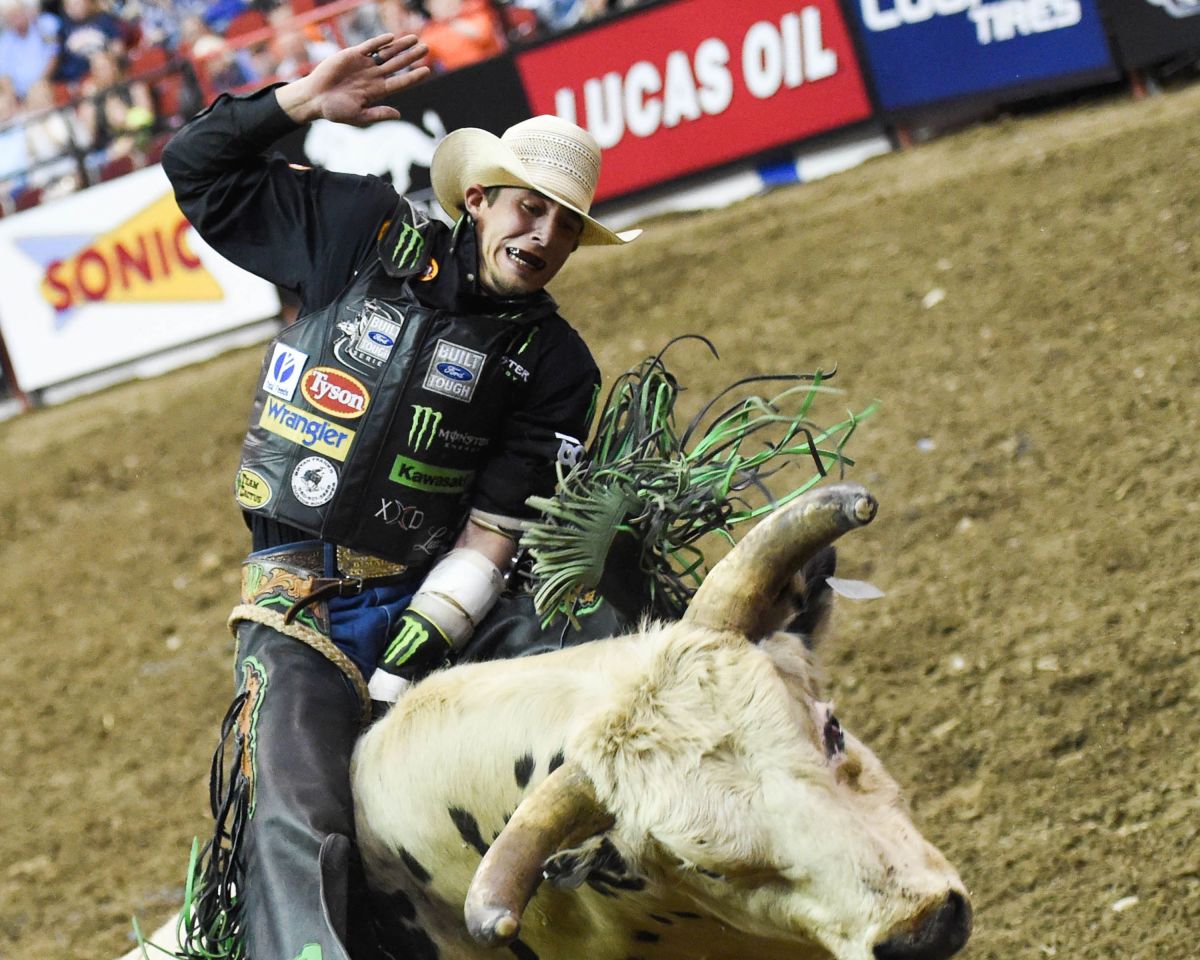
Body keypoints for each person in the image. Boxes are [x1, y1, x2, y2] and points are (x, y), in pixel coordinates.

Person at [161, 30, 638, 960]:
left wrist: (431, 631)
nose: (541, 237)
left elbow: (499, 526)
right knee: (301, 820)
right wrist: (296, 101)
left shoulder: (555, 363)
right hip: (298, 599)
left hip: (451, 603)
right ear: (480, 200)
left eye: (565, 224)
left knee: (610, 656)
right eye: (527, 209)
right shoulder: (360, 232)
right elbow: (198, 170)